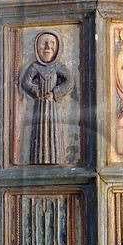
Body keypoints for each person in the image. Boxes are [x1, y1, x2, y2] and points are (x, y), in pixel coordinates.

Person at [18, 30, 73, 165]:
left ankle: (55, 158)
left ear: (57, 47)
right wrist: (36, 91)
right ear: (37, 47)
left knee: (53, 131)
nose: (48, 47)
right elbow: (25, 82)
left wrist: (55, 93)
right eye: (44, 43)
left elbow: (70, 81)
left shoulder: (58, 66)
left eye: (52, 43)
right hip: (40, 106)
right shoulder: (35, 66)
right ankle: (38, 158)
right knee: (39, 131)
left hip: (53, 106)